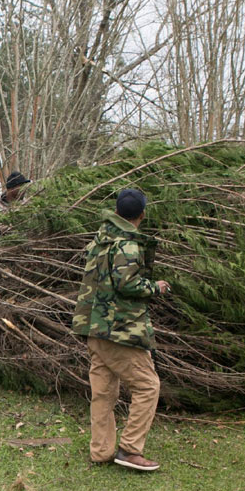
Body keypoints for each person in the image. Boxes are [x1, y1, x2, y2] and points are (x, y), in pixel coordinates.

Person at [71, 188, 171, 471]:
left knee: (104, 392)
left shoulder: (100, 240)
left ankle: (101, 450)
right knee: (148, 386)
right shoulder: (127, 244)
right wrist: (156, 287)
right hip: (119, 331)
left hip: (94, 328)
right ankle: (130, 450)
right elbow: (126, 284)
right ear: (141, 214)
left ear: (116, 211)